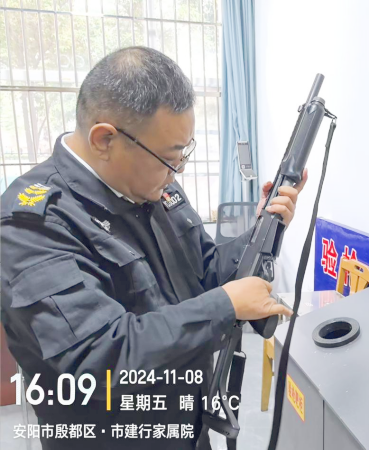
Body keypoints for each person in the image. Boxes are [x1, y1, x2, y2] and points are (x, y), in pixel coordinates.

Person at [0, 46, 301, 450]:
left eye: (183, 154)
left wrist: (263, 229)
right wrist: (225, 305)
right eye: (170, 158)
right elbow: (99, 359)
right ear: (105, 139)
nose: (177, 172)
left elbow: (207, 271)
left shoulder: (153, 187)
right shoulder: (32, 224)